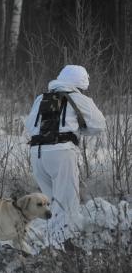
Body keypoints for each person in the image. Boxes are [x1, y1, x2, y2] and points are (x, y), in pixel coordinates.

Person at [24, 65, 106, 245]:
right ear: (81, 81)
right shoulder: (78, 98)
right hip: (61, 153)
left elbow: (30, 126)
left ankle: (51, 244)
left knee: (53, 203)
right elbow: (99, 124)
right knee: (67, 204)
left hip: (37, 154)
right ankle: (63, 248)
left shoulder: (41, 98)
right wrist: (80, 129)